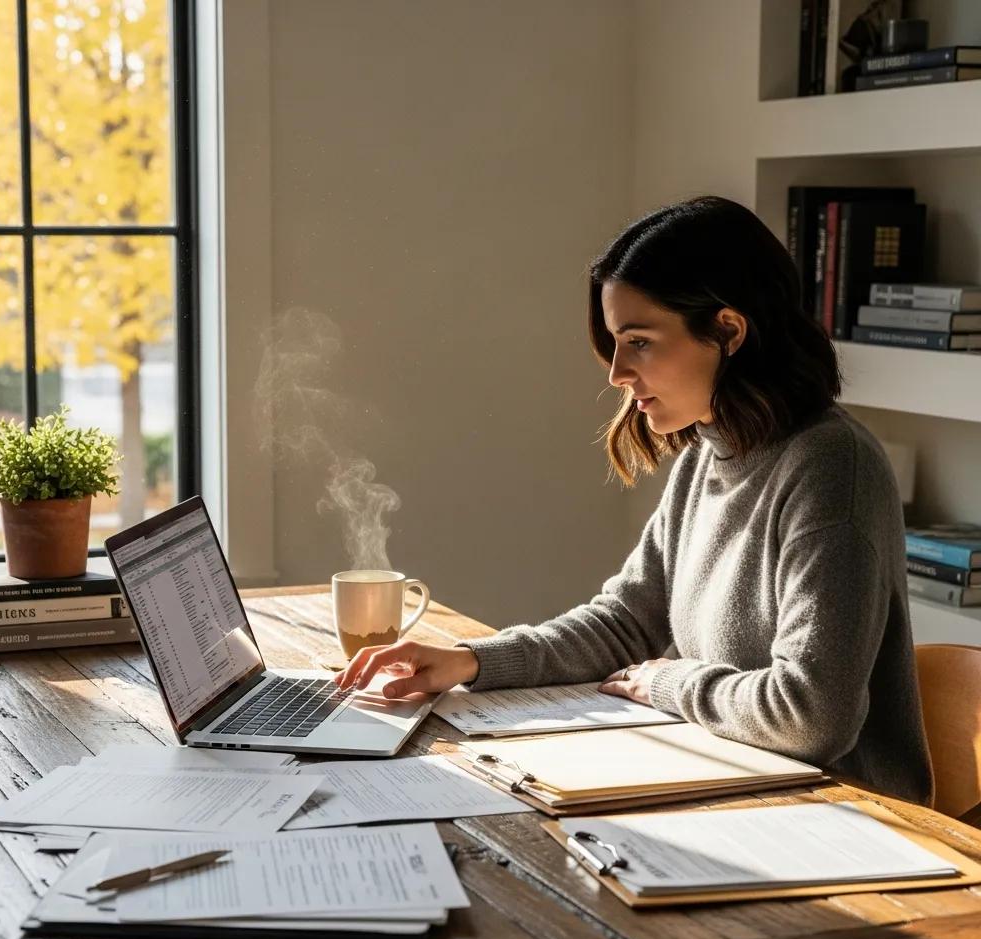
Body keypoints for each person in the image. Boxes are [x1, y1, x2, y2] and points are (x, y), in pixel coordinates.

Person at [335, 195, 933, 804]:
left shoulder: (831, 466)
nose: (617, 372)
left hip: (847, 814)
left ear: (727, 331)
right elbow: (625, 623)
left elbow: (810, 716)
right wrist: (470, 662)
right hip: (739, 783)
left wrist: (668, 682)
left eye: (640, 342)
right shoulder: (708, 452)